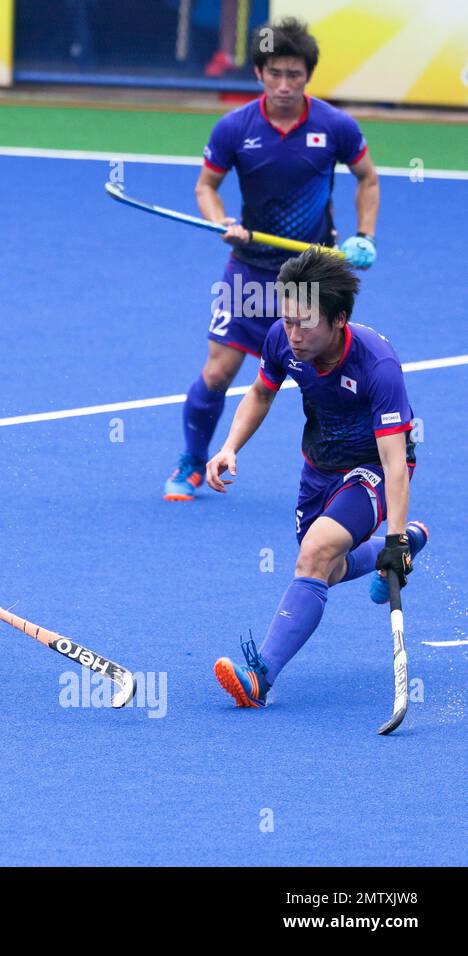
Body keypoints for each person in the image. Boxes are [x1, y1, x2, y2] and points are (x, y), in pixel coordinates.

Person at [164, 17, 380, 501]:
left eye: (295, 75)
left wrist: (365, 235)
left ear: (308, 75)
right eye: (275, 73)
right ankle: (192, 460)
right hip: (250, 268)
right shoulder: (234, 128)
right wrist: (222, 221)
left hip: (307, 275)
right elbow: (207, 186)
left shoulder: (336, 126)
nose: (285, 85)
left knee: (322, 376)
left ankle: (344, 470)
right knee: (219, 372)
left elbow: (367, 177)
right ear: (259, 73)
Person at [204, 250, 427, 707]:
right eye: (287, 321)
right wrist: (229, 446)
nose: (293, 335)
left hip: (375, 468)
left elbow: (393, 458)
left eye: (305, 324)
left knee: (315, 551)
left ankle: (258, 678)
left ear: (339, 319)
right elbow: (262, 392)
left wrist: (396, 536)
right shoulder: (283, 341)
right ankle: (412, 542)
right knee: (321, 568)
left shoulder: (377, 366)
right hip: (319, 466)